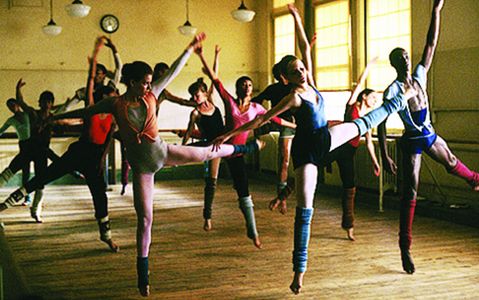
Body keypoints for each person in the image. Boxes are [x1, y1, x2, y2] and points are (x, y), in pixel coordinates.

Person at [12, 33, 261, 297]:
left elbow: (174, 72)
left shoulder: (152, 95)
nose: (149, 86)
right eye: (144, 83)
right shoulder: (115, 103)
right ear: (131, 83)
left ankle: (245, 147)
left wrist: (189, 48)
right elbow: (85, 112)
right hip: (143, 168)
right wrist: (54, 119)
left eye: (150, 82)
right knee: (145, 219)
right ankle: (143, 275)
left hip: (163, 152)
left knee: (207, 152)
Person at [210, 4, 416, 294]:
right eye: (296, 72)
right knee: (305, 211)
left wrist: (295, 17)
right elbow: (262, 118)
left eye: (303, 68)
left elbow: (306, 47)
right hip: (306, 152)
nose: (302, 73)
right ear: (287, 78)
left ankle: (400, 98)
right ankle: (299, 273)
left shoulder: (312, 81)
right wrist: (230, 132)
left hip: (325, 137)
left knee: (365, 121)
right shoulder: (293, 97)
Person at [377, 0, 478, 275]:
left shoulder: (420, 76)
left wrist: (436, 10)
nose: (407, 60)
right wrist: (385, 154)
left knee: (453, 162)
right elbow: (381, 123)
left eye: (407, 56)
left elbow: (431, 45)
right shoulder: (392, 90)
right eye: (401, 59)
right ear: (394, 64)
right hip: (411, 141)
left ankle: (475, 181)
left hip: (429, 134)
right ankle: (404, 246)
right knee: (411, 190)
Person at [0, 37, 120, 253]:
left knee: (100, 197)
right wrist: (95, 54)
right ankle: (6, 204)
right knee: (43, 178)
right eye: (112, 97)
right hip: (79, 153)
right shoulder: (92, 107)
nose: (115, 99)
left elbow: (107, 141)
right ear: (103, 99)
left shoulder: (113, 116)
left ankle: (106, 236)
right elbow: (90, 80)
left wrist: (101, 161)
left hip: (93, 160)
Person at [195, 43, 296, 249]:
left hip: (236, 154)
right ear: (238, 87)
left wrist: (294, 124)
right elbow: (215, 79)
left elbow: (274, 119)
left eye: (250, 85)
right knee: (210, 182)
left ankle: (253, 231)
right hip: (220, 145)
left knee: (243, 191)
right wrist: (202, 55)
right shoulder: (230, 102)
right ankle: (207, 216)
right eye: (244, 84)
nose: (247, 87)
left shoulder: (257, 108)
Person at [320, 59, 381, 241]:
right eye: (373, 97)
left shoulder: (369, 119)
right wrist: (368, 67)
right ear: (364, 97)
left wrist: (375, 162)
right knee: (312, 165)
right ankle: (285, 193)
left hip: (349, 153)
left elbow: (369, 142)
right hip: (337, 146)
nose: (376, 101)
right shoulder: (351, 107)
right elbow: (360, 84)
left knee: (350, 186)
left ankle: (349, 225)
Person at [182, 46, 224, 231]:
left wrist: (215, 55)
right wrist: (181, 148)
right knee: (211, 182)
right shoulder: (195, 113)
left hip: (224, 142)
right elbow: (189, 131)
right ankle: (207, 217)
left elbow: (214, 76)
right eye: (192, 95)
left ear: (205, 93)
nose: (194, 97)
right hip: (210, 146)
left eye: (197, 94)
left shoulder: (213, 101)